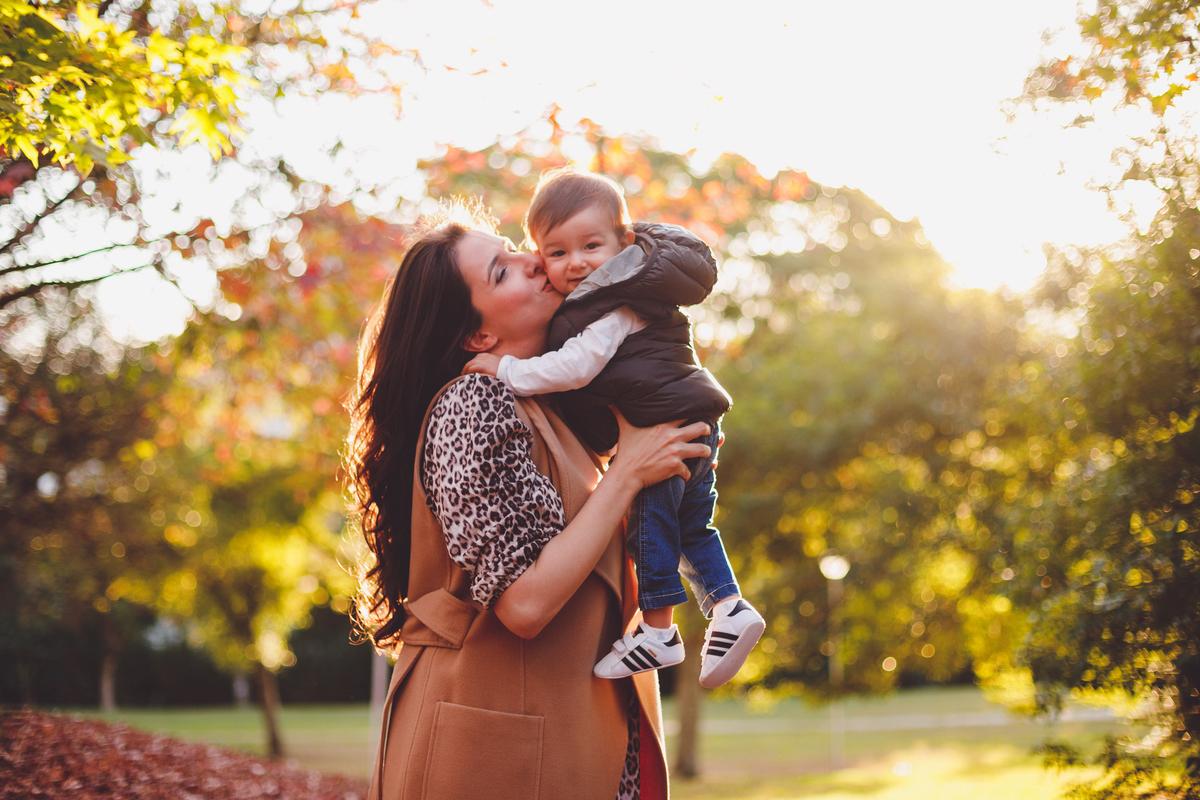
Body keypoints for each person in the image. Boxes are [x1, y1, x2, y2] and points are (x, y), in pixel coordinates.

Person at [347, 201, 708, 800]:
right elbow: (524, 604)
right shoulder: (474, 404)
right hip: (496, 759)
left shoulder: (549, 406)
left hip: (571, 742)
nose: (536, 261)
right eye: (502, 270)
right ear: (477, 335)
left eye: (515, 247)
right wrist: (626, 476)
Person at [464, 166, 765, 689]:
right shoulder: (619, 290)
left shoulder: (613, 301)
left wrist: (505, 370)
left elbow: (574, 368)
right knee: (691, 527)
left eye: (591, 246)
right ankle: (729, 606)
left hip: (666, 420)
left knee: (650, 526)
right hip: (687, 418)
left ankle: (659, 631)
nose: (574, 263)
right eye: (555, 253)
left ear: (625, 242)